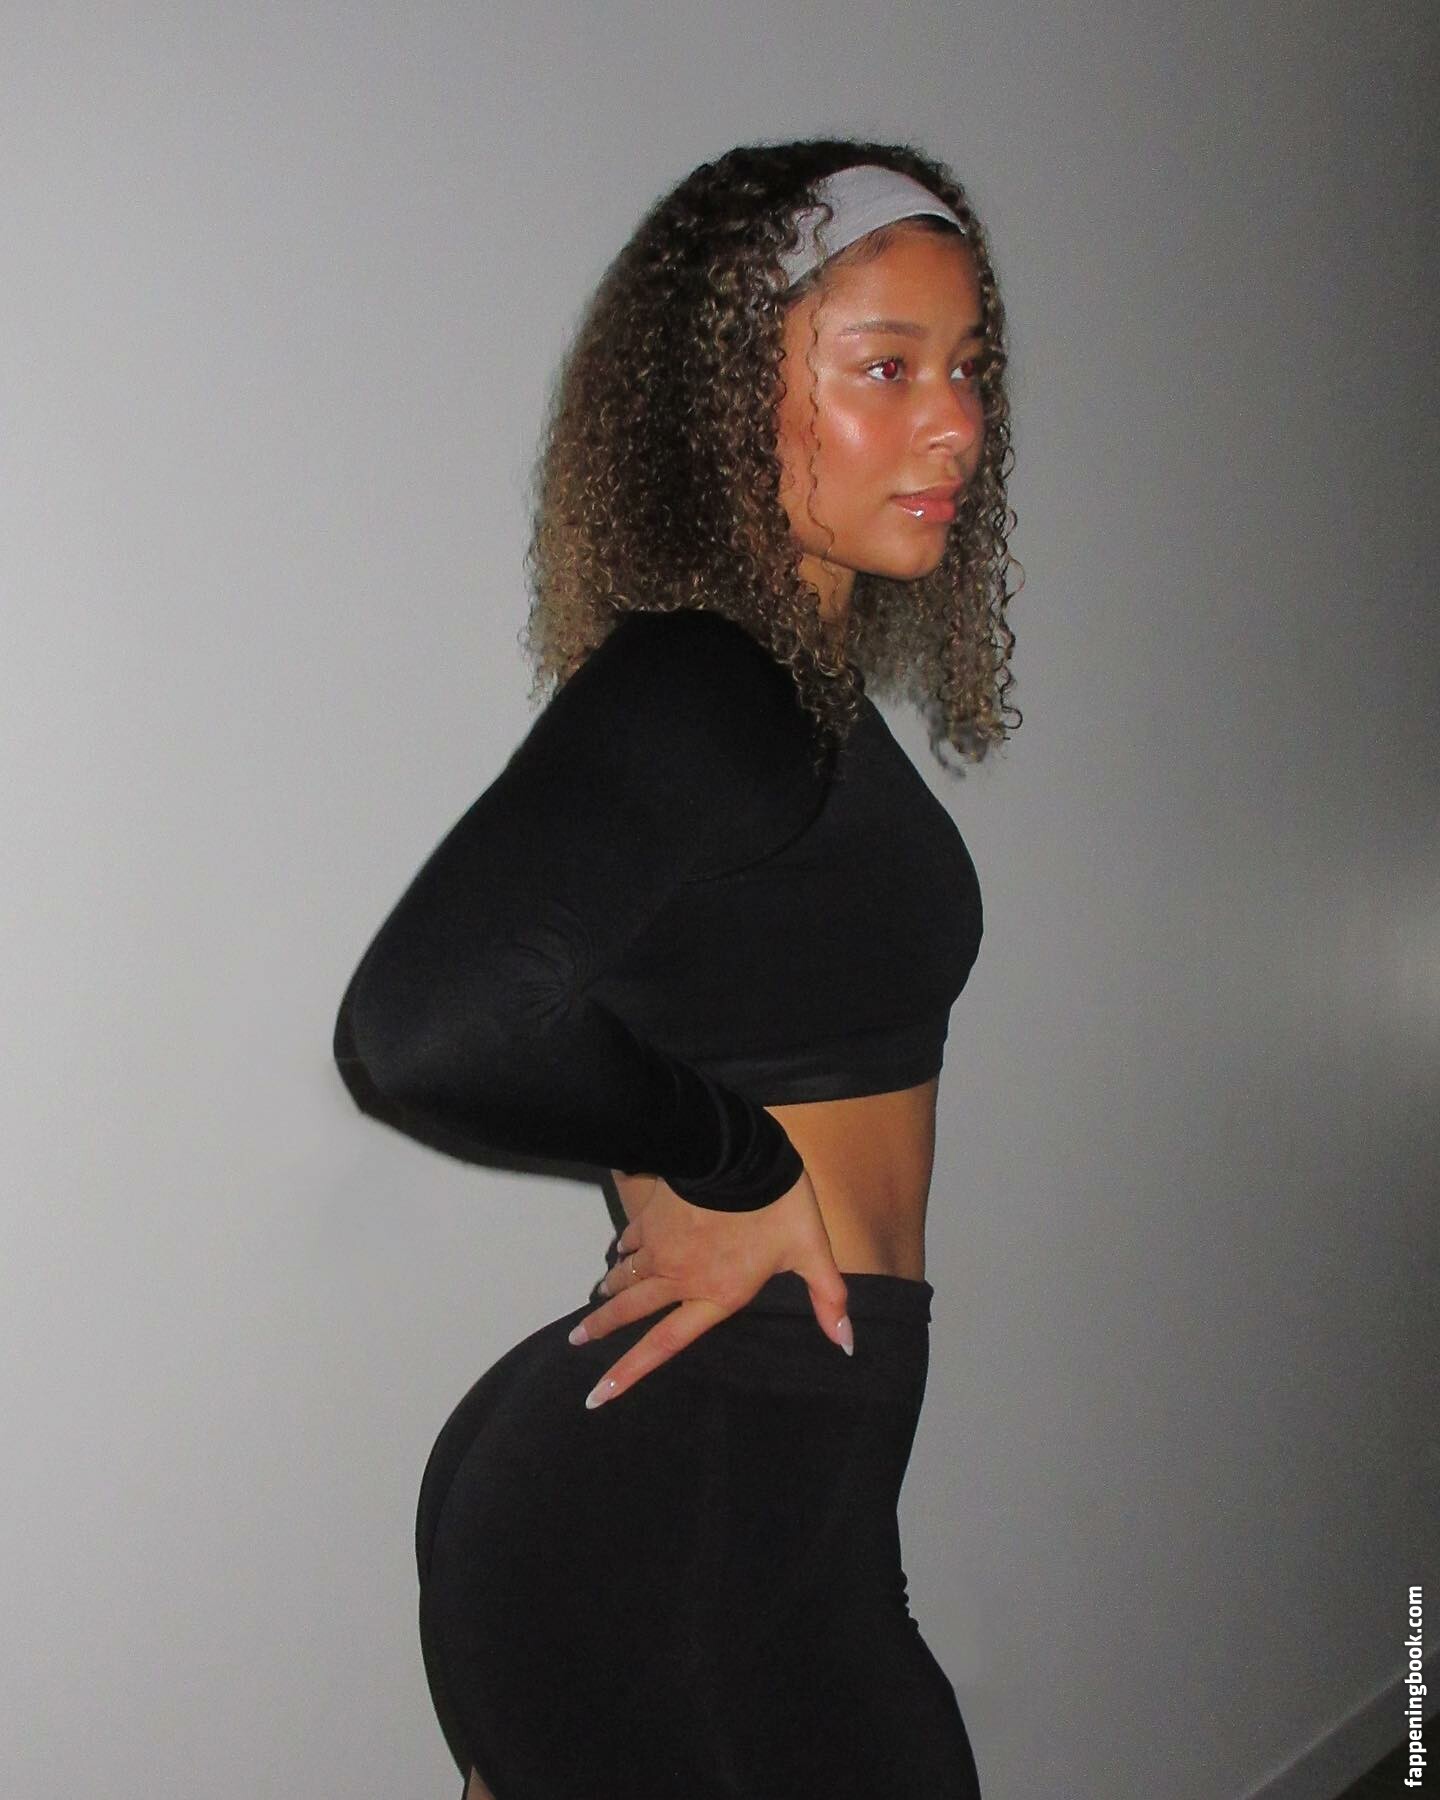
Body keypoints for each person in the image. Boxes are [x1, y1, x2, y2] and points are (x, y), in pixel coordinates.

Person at [334, 135, 1018, 1800]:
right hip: (685, 1497)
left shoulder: (796, 689)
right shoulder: (709, 681)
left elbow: (604, 1004)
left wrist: (691, 1140)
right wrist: (734, 1161)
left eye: (968, 368)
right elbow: (426, 1026)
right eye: (887, 367)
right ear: (725, 398)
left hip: (770, 1481)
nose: (955, 423)